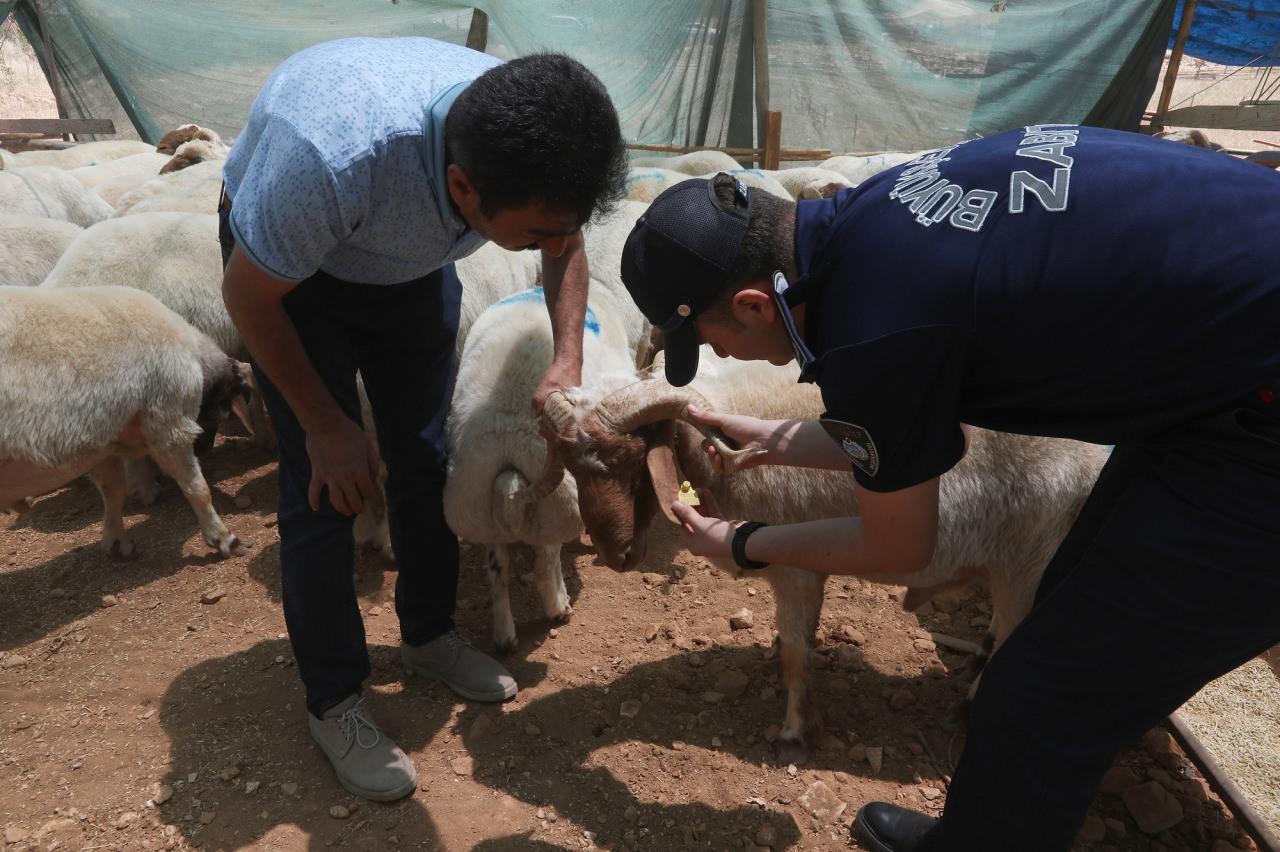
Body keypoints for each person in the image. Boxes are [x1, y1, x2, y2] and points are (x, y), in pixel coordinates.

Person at [617, 127, 1280, 850]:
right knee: (1065, 596)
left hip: (1256, 417)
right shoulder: (866, 220)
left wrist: (743, 543)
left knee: (1039, 700)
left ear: (750, 304)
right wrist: (765, 434)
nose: (720, 355)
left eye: (712, 341)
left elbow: (899, 541)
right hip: (1222, 363)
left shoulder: (870, 327)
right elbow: (934, 429)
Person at [218, 36, 626, 802]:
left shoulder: (522, 138)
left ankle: (428, 632)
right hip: (293, 277)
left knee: (423, 450)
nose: (545, 246)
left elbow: (565, 243)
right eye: (530, 235)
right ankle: (335, 700)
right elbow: (247, 298)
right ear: (463, 187)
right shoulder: (332, 161)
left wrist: (566, 361)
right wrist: (327, 425)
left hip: (405, 262)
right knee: (325, 482)